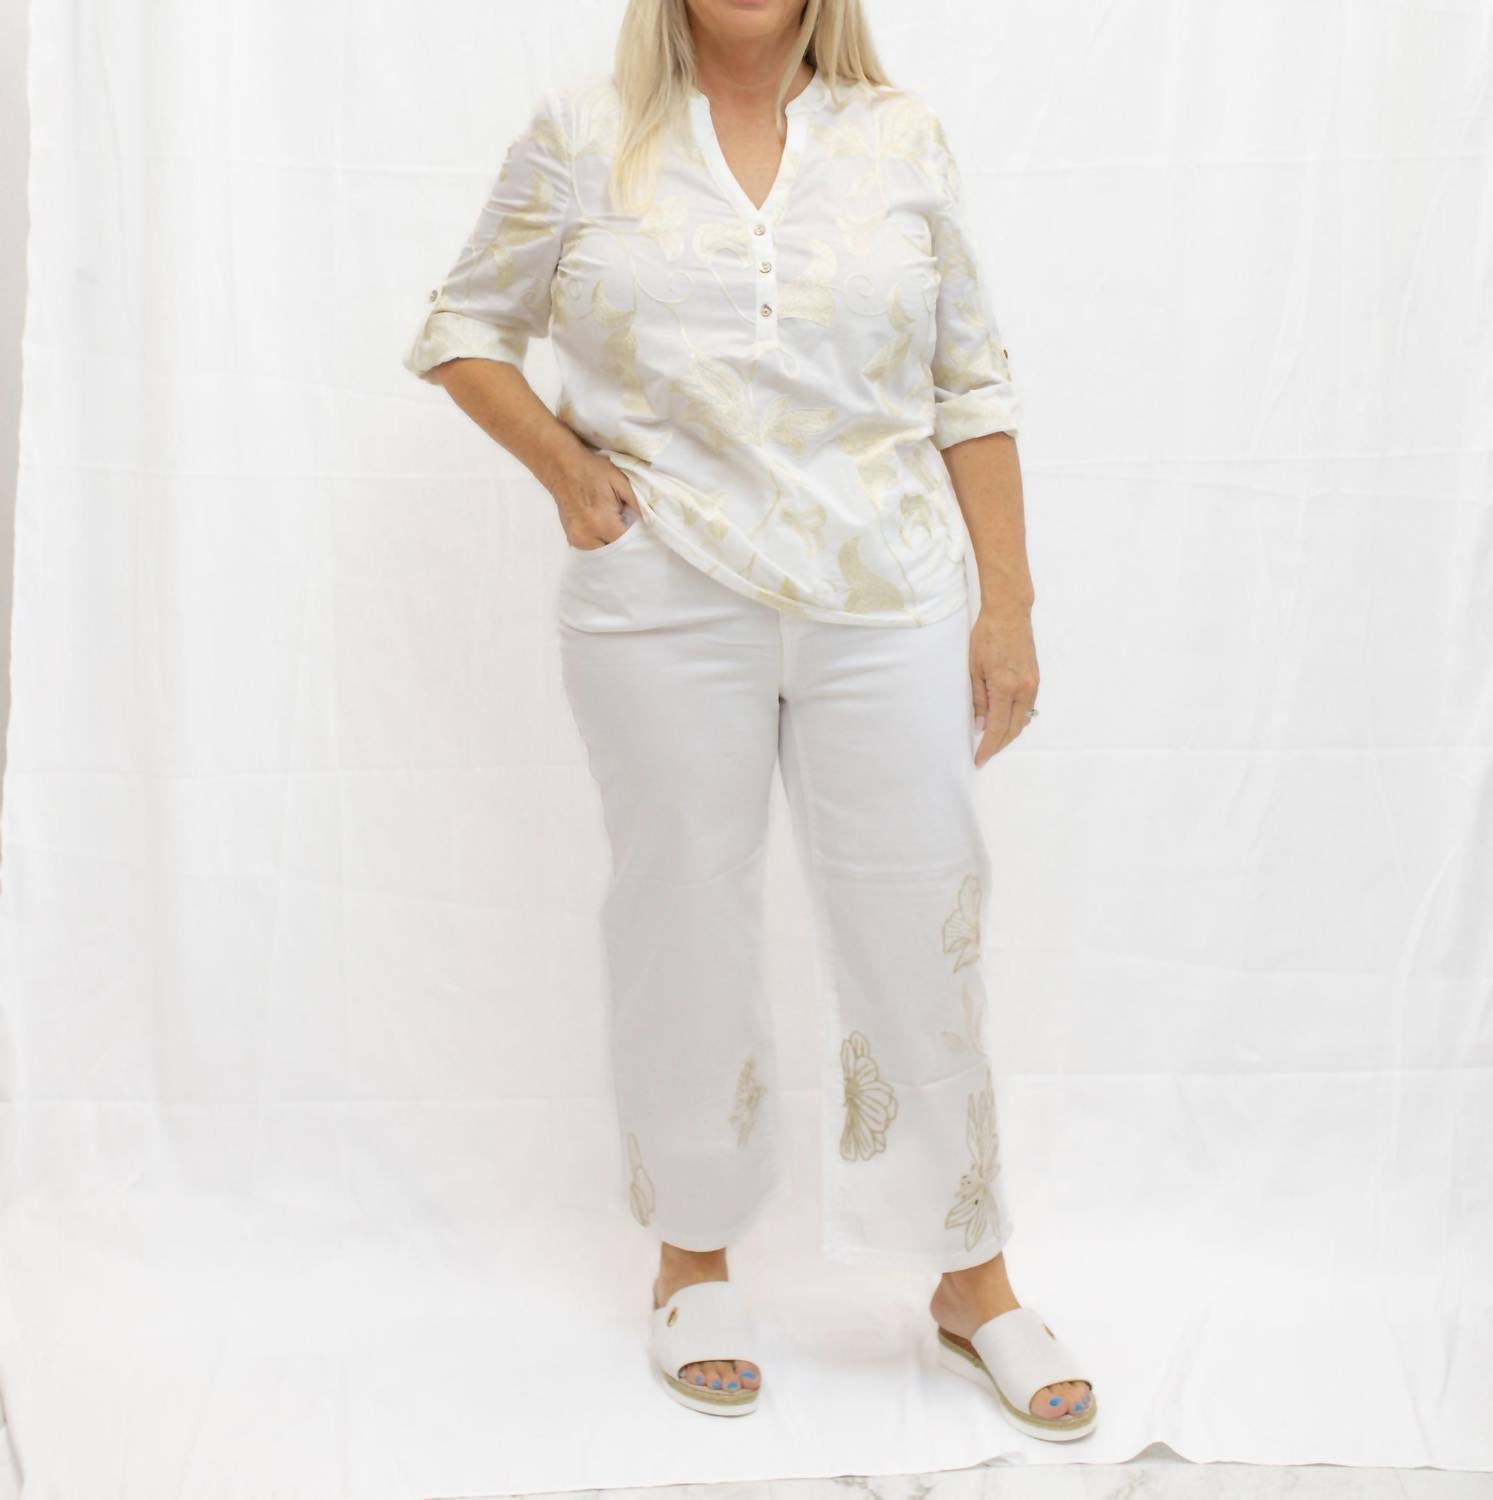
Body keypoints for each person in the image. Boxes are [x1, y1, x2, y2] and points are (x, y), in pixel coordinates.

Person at [403, 0, 1095, 1440]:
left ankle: (970, 1275)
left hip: (888, 599)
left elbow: (971, 383)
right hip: (664, 598)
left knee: (921, 920)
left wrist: (1009, 604)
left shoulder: (899, 137)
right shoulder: (584, 132)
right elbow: (463, 328)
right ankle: (692, 1258)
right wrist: (568, 473)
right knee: (682, 918)